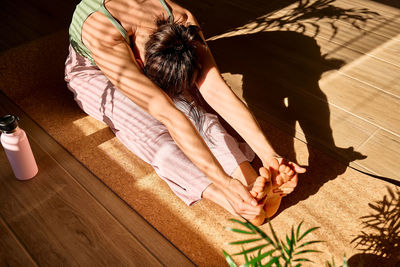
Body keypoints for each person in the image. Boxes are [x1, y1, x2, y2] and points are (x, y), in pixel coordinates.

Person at [65, 0, 306, 225]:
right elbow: (168, 115)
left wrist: (270, 155)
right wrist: (223, 183)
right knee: (149, 132)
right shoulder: (102, 30)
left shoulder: (181, 19)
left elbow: (215, 90)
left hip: (159, 51)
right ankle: (234, 202)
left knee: (197, 116)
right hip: (93, 72)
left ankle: (253, 185)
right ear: (139, 62)